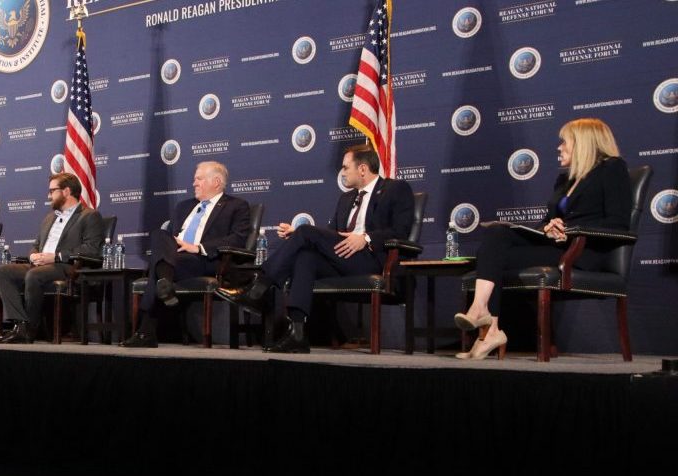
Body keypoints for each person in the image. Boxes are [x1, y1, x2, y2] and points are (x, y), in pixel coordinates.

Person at [452, 118, 632, 359]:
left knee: (493, 256)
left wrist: (569, 228)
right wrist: (549, 226)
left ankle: (485, 327)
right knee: (495, 236)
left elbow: (618, 222)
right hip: (556, 246)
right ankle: (487, 324)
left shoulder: (612, 169)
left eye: (564, 142)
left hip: (584, 253)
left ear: (583, 143)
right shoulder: (565, 180)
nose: (559, 147)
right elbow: (549, 219)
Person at [216, 144, 415, 353]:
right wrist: (298, 236)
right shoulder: (346, 198)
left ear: (363, 169)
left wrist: (365, 238)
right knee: (306, 256)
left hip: (372, 259)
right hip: (343, 257)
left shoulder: (395, 189)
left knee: (306, 233)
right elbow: (330, 233)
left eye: (346, 167)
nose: (343, 172)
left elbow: (401, 230)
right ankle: (297, 334)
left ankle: (259, 288)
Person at [121, 161, 252, 348]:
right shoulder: (183, 206)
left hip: (206, 260)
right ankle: (164, 284)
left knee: (158, 268)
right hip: (176, 258)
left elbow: (238, 239)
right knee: (159, 234)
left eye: (199, 179)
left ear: (216, 181)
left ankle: (147, 328)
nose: (194, 183)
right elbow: (171, 237)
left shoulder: (237, 206)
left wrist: (198, 247)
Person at [0, 173, 104, 343]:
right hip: (40, 266)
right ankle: (21, 324)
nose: (48, 195)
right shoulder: (49, 218)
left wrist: (56, 257)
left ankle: (30, 330)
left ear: (66, 191)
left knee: (34, 275)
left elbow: (92, 249)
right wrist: (33, 255)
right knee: (2, 271)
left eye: (52, 191)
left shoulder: (89, 216)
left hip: (67, 267)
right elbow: (37, 245)